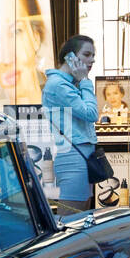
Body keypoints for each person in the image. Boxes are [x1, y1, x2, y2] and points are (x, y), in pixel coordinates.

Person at [42, 34, 99, 208]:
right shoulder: (59, 85)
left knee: (81, 217)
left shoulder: (70, 84)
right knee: (71, 219)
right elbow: (91, 113)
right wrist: (85, 81)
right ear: (71, 57)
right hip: (74, 156)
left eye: (93, 56)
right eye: (87, 55)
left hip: (82, 154)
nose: (92, 60)